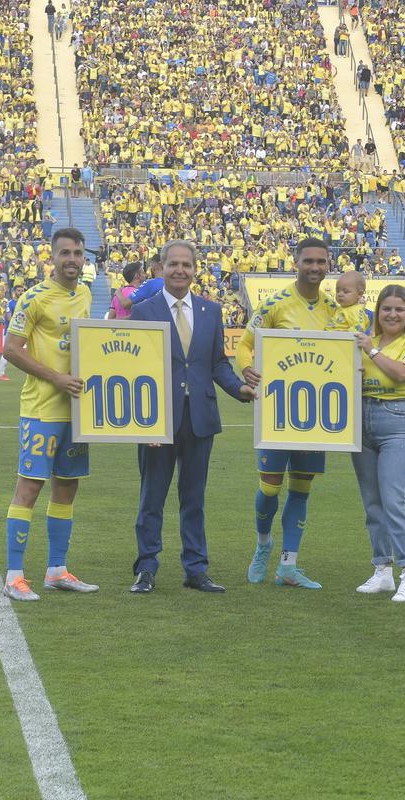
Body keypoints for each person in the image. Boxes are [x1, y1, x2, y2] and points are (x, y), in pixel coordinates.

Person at [128, 241, 255, 594]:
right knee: (152, 496)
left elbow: (216, 363)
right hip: (158, 421)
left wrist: (240, 390)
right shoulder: (143, 311)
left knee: (194, 497)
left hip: (200, 416)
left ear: (195, 269)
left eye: (186, 264)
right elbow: (135, 369)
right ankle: (147, 567)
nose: (180, 270)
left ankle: (196, 569)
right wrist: (143, 420)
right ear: (161, 267)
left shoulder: (210, 311)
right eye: (173, 264)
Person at [0, 228, 96, 601]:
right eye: (65, 253)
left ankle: (57, 570)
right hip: (41, 409)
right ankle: (14, 576)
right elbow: (11, 348)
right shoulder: (34, 298)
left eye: (78, 253)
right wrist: (57, 377)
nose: (72, 259)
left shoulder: (86, 294)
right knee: (29, 487)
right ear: (52, 257)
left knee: (68, 487)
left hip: (77, 411)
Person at [236, 238, 339, 589]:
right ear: (295, 262)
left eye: (321, 261)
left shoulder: (333, 308)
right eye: (308, 260)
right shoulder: (275, 304)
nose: (314, 267)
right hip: (278, 412)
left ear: (328, 265)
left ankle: (288, 566)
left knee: (301, 489)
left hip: (315, 414)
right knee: (269, 488)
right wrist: (248, 369)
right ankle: (263, 545)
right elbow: (245, 344)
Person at [351, 284, 405, 602]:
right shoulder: (364, 341)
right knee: (373, 502)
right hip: (363, 421)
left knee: (395, 500)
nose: (392, 314)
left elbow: (400, 373)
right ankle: (382, 569)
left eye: (399, 309)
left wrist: (370, 351)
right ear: (377, 312)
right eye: (386, 308)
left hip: (400, 422)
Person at [0, 286, 22, 382]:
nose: (20, 292)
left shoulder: (22, 303)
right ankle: (1, 374)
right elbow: (8, 317)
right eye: (19, 290)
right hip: (10, 331)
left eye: (22, 290)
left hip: (21, 332)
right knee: (6, 353)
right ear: (14, 292)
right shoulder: (10, 303)